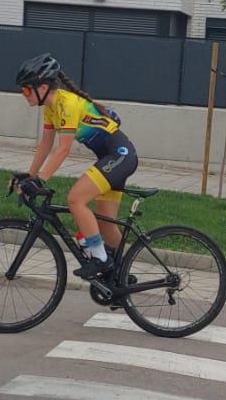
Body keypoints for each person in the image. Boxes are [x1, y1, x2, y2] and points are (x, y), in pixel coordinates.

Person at [12, 53, 135, 280]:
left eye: (27, 90)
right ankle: (123, 277)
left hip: (119, 155)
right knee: (105, 226)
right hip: (111, 157)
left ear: (43, 87)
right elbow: (46, 144)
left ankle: (101, 258)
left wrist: (40, 180)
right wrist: (29, 175)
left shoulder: (66, 103)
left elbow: (63, 149)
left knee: (75, 199)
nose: (24, 95)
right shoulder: (50, 107)